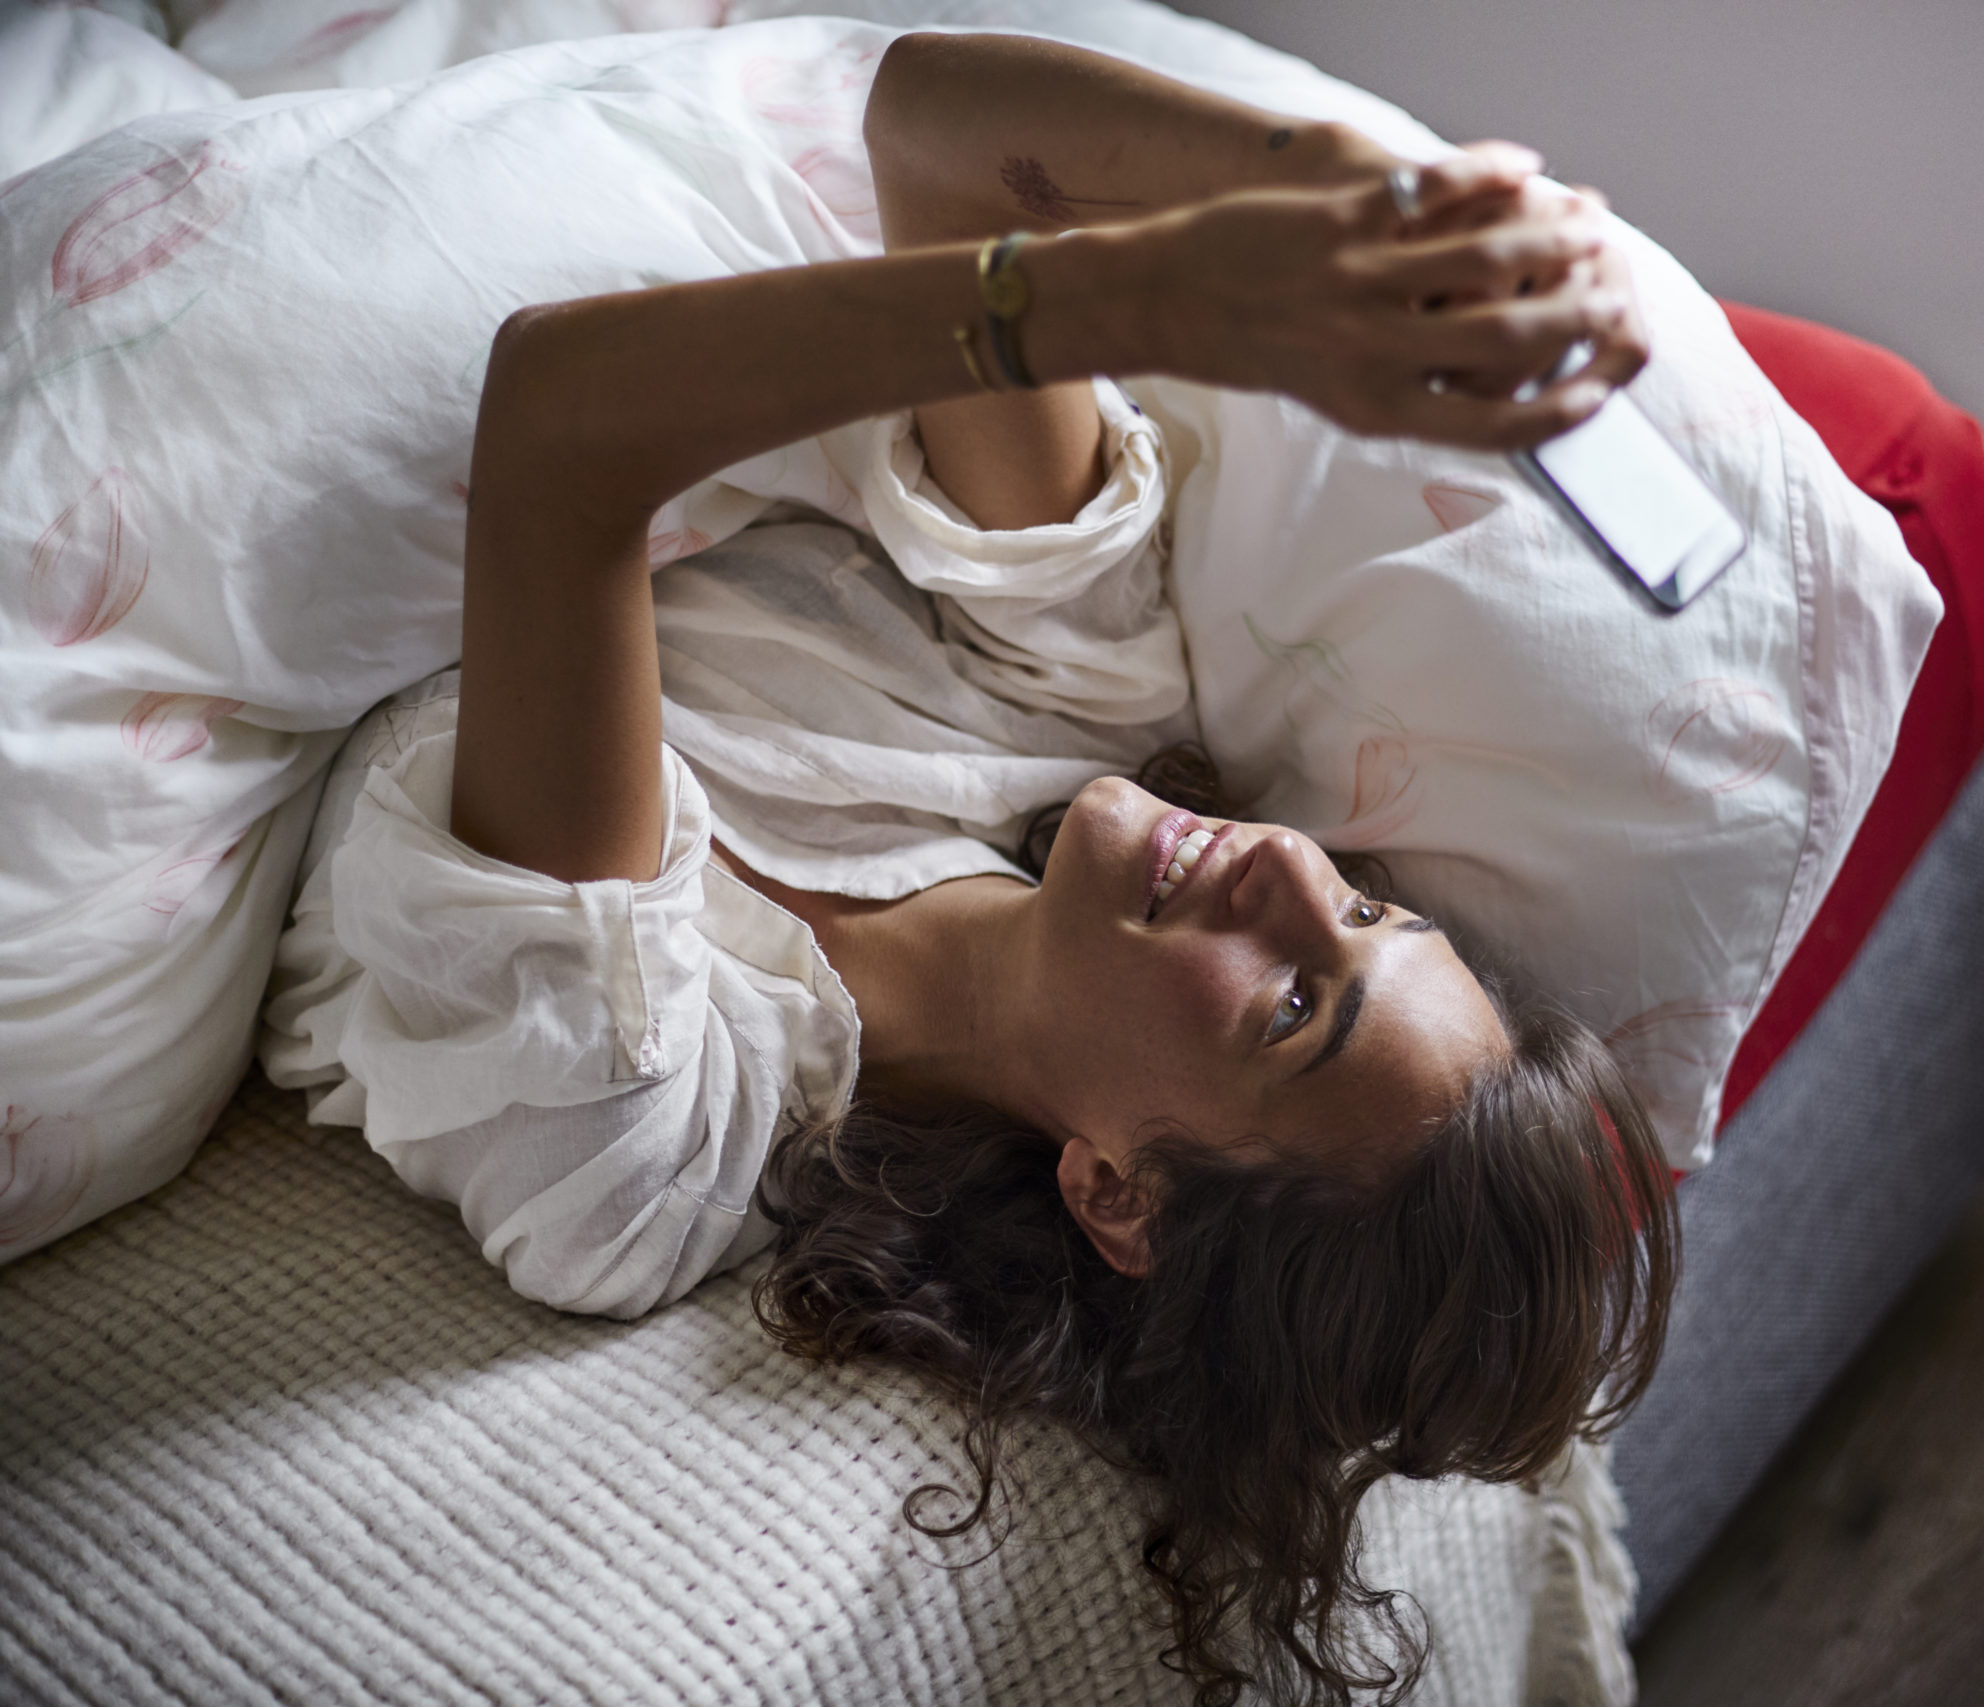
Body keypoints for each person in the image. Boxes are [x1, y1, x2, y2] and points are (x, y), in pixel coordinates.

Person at [262, 32, 1678, 1707]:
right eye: (1373, 909)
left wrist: (1140, 303)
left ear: (1121, 1193)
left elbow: (562, 420)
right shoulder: (1069, 693)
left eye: (1300, 1002)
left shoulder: (644, 1128)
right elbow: (933, 142)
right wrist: (1343, 211)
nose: (1295, 868)